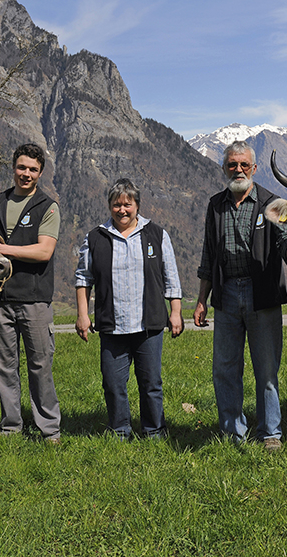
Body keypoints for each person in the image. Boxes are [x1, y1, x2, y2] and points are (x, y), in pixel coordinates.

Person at [193, 140, 287, 451]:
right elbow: (208, 255)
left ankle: (271, 434)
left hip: (262, 295)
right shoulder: (216, 205)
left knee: (266, 370)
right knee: (225, 369)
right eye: (231, 165)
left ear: (254, 168)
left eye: (243, 165)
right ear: (224, 168)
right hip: (226, 295)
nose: (237, 170)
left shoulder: (272, 202)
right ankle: (232, 433)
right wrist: (202, 300)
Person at [75, 178, 184, 439]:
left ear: (137, 205)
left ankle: (154, 431)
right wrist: (82, 314)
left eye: (128, 204)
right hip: (113, 324)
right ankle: (119, 431)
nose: (122, 210)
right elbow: (83, 278)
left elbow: (171, 277)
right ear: (109, 206)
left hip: (149, 324)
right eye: (116, 205)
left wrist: (176, 312)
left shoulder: (156, 234)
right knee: (113, 384)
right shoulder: (95, 237)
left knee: (151, 384)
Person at [0, 142, 62, 443]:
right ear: (13, 167)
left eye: (32, 169)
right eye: (21, 167)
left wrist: (4, 249)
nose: (25, 174)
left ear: (40, 173)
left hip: (34, 299)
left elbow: (44, 251)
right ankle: (10, 426)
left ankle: (49, 429)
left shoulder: (47, 206)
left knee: (40, 365)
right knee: (3, 366)